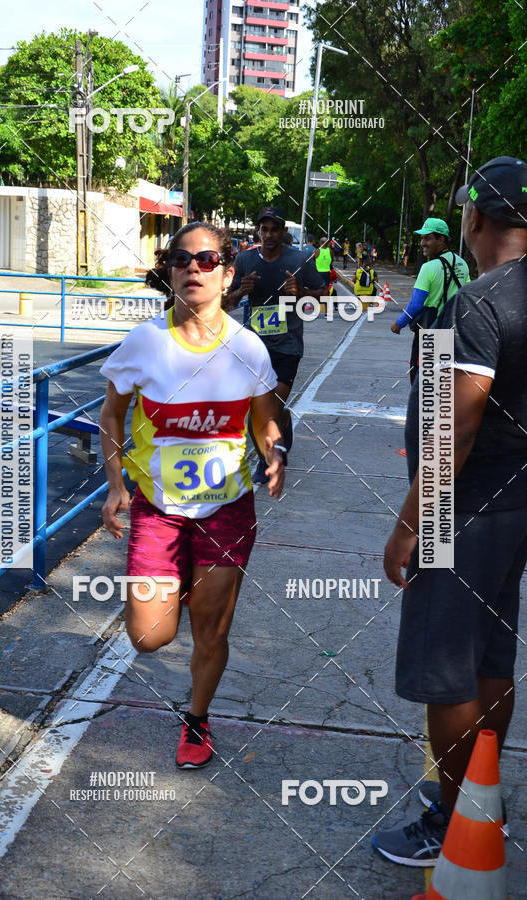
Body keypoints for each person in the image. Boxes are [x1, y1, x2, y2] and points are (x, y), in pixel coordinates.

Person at [373, 156, 527, 866]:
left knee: (446, 669)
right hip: (514, 506)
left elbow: (455, 427)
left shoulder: (483, 300)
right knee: (492, 657)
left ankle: (459, 820)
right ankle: (485, 799)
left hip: (460, 509)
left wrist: (408, 526)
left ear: (475, 217)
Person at [99, 221, 286, 769]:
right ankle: (175, 588)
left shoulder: (248, 348)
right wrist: (114, 483)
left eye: (207, 260)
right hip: (158, 511)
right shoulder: (145, 342)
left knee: (212, 627)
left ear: (228, 274)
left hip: (227, 510)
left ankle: (197, 720)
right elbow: (111, 412)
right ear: (170, 272)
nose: (193, 269)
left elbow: (264, 423)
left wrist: (274, 454)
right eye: (182, 260)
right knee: (149, 636)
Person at [226, 206, 325, 484]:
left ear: (283, 232)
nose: (269, 235)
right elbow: (227, 303)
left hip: (287, 348)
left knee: (266, 408)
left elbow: (322, 297)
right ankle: (271, 445)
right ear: (259, 230)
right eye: (264, 229)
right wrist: (239, 292)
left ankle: (265, 461)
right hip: (254, 348)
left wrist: (301, 291)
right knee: (260, 409)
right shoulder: (245, 260)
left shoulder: (301, 260)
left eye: (274, 229)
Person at [391, 218, 470, 383]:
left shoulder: (428, 268)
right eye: (421, 239)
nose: (422, 243)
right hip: (453, 329)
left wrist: (399, 323)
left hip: (430, 329)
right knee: (444, 380)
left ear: (441, 239)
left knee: (422, 381)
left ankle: (423, 408)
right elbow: (467, 295)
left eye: (427, 238)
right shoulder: (462, 264)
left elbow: (416, 304)